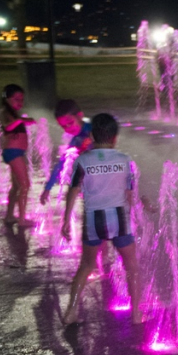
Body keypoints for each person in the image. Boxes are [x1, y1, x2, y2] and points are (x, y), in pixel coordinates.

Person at [59, 113, 144, 325]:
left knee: (86, 266)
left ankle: (71, 311)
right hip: (119, 219)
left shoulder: (83, 160)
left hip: (93, 219)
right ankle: (136, 315)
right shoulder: (125, 160)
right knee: (131, 266)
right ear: (115, 137)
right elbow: (129, 194)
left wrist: (66, 220)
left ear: (92, 136)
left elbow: (73, 190)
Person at [40, 99, 94, 206]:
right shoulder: (76, 141)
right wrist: (47, 188)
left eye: (70, 123)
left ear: (80, 116)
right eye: (63, 126)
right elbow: (62, 164)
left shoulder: (94, 130)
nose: (68, 128)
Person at [0, 84, 36, 225]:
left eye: (22, 99)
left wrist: (24, 121)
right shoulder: (4, 113)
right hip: (13, 153)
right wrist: (21, 120)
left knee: (16, 187)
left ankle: (9, 216)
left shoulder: (14, 114)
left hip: (16, 152)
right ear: (7, 99)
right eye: (16, 99)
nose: (20, 102)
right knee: (25, 184)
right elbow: (8, 126)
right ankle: (22, 219)